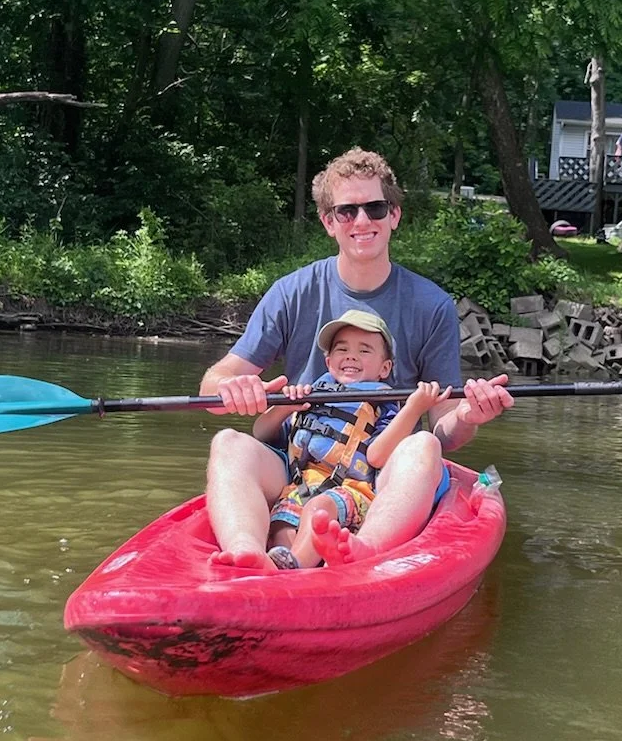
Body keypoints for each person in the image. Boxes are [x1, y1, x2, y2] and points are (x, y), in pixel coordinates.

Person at [201, 147, 514, 569]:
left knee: (422, 445)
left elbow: (445, 428)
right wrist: (233, 387)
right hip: (298, 465)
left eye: (375, 208)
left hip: (378, 475)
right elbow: (212, 385)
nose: (362, 221)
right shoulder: (291, 292)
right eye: (347, 211)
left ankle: (363, 550)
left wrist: (469, 417)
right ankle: (246, 553)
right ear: (329, 222)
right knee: (227, 443)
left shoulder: (432, 305)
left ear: (394, 216)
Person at [257, 310, 444, 569]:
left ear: (385, 367)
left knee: (319, 509)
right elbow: (261, 434)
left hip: (353, 491)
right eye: (342, 349)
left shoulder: (384, 403)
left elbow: (376, 456)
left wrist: (414, 409)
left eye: (365, 350)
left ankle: (298, 568)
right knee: (283, 521)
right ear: (329, 361)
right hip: (302, 486)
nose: (351, 356)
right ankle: (286, 564)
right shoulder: (312, 393)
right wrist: (285, 407)